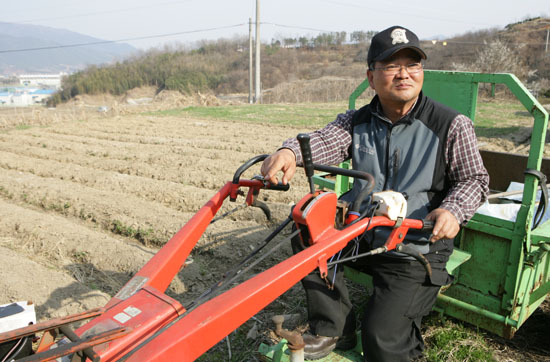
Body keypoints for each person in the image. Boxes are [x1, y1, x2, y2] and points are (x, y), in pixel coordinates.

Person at [260, 25, 489, 361]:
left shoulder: (451, 124)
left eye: (412, 65)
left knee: (381, 339)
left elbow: (474, 179)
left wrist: (453, 210)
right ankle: (332, 328)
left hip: (415, 246)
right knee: (306, 223)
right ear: (371, 77)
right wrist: (290, 152)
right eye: (391, 66)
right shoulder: (357, 121)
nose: (404, 74)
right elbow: (323, 141)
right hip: (362, 231)